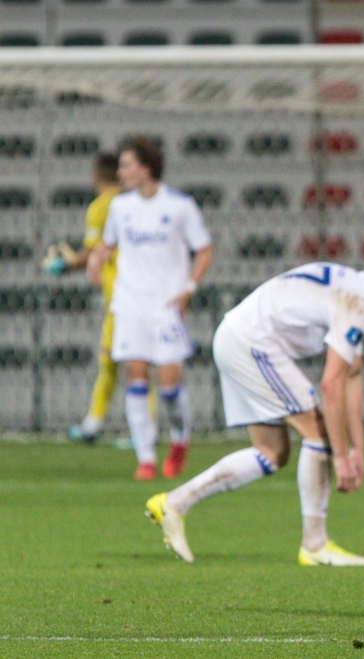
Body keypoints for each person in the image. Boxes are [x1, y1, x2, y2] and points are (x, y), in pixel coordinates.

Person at [144, 265, 364, 566]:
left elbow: (352, 376)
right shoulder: (358, 306)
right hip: (253, 342)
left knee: (272, 452)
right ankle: (315, 545)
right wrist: (340, 457)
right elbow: (332, 384)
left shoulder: (361, 294)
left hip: (238, 336)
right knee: (319, 432)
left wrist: (358, 449)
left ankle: (174, 503)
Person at [86, 136, 213, 480]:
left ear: (145, 168)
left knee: (169, 387)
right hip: (130, 303)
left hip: (165, 306)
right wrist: (96, 260)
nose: (120, 172)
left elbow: (204, 250)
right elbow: (108, 244)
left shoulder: (179, 206)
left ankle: (180, 439)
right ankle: (145, 458)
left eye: (126, 165)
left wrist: (188, 289)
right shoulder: (120, 207)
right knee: (136, 376)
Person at [41, 152, 123, 444]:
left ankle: (134, 432)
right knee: (122, 362)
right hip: (134, 293)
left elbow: (93, 251)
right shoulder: (132, 203)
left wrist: (65, 265)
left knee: (127, 363)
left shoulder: (101, 207)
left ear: (95, 176)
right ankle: (93, 424)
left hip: (121, 297)